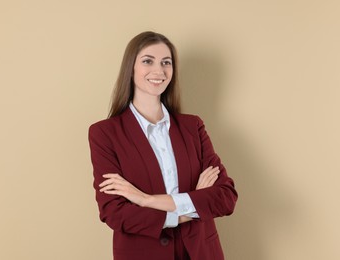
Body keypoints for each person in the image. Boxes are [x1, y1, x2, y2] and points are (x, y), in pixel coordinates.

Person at [88, 31, 238, 260]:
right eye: (148, 61)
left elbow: (225, 197)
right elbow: (114, 213)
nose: (159, 71)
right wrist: (193, 203)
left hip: (200, 253)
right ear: (131, 68)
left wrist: (146, 200)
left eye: (166, 63)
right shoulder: (105, 133)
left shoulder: (193, 127)